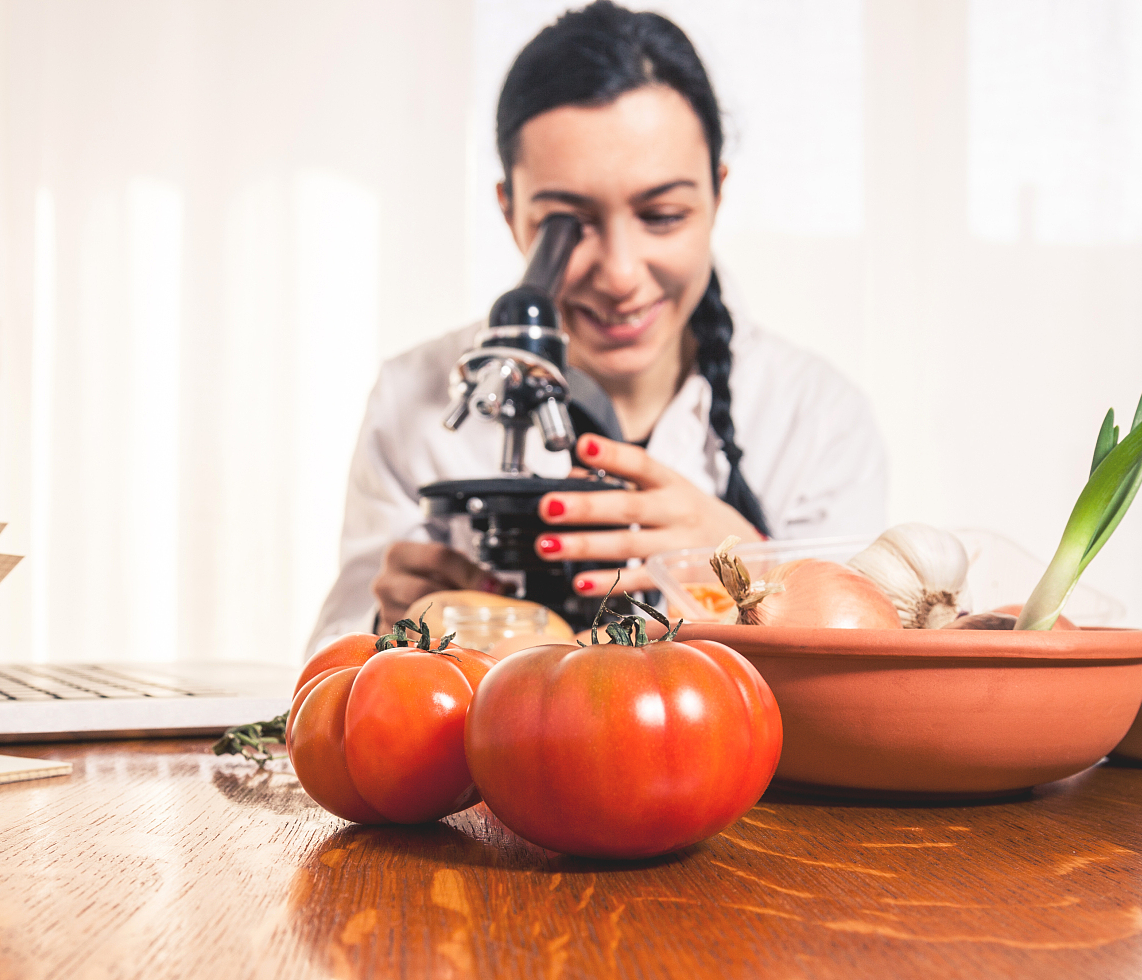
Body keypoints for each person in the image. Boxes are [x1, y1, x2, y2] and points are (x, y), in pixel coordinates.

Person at [306, 0, 888, 653]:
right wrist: (387, 626)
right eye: (568, 224)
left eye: (662, 215)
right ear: (510, 212)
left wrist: (744, 568)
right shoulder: (411, 399)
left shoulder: (816, 419)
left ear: (717, 195)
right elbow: (327, 666)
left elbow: (858, 662)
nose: (619, 274)